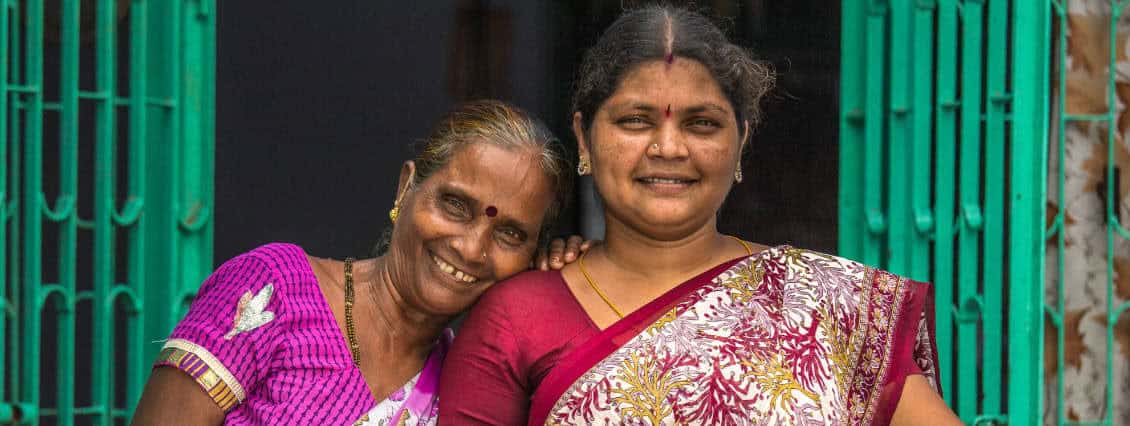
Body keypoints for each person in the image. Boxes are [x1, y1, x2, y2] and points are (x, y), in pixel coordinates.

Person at [438, 6, 960, 425]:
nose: (669, 147)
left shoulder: (821, 306)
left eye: (702, 124)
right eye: (636, 121)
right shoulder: (517, 316)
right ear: (584, 137)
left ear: (742, 141)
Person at [131, 100, 590, 425]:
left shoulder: (468, 387)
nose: (471, 248)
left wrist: (565, 293)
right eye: (454, 205)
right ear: (405, 188)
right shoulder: (274, 288)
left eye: (510, 234)